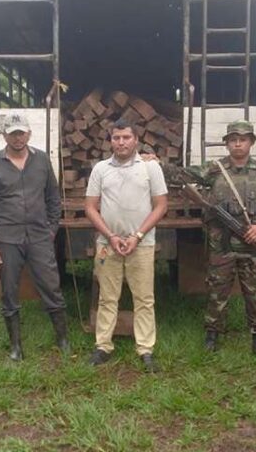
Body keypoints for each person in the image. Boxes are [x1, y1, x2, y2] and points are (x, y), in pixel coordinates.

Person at [159, 119, 256, 365]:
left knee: (255, 295)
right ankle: (212, 335)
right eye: (233, 140)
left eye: (243, 140)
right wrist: (157, 164)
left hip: (252, 245)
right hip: (221, 245)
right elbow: (182, 174)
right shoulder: (214, 170)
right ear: (227, 143)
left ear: (251, 143)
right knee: (217, 290)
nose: (238, 144)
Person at [0, 114, 69, 361]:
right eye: (13, 134)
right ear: (4, 136)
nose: (17, 138)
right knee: (9, 291)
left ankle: (63, 340)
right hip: (7, 238)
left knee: (51, 286)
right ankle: (15, 346)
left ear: (29, 134)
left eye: (21, 133)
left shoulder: (42, 160)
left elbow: (53, 197)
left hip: (40, 236)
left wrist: (51, 229)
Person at [84, 119, 168, 373]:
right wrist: (110, 236)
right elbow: (90, 207)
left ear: (136, 140)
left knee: (144, 298)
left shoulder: (150, 168)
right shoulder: (100, 169)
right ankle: (103, 346)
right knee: (107, 297)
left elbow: (161, 205)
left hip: (141, 244)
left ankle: (145, 349)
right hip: (108, 243)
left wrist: (138, 236)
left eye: (126, 137)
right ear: (110, 141)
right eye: (116, 138)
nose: (121, 142)